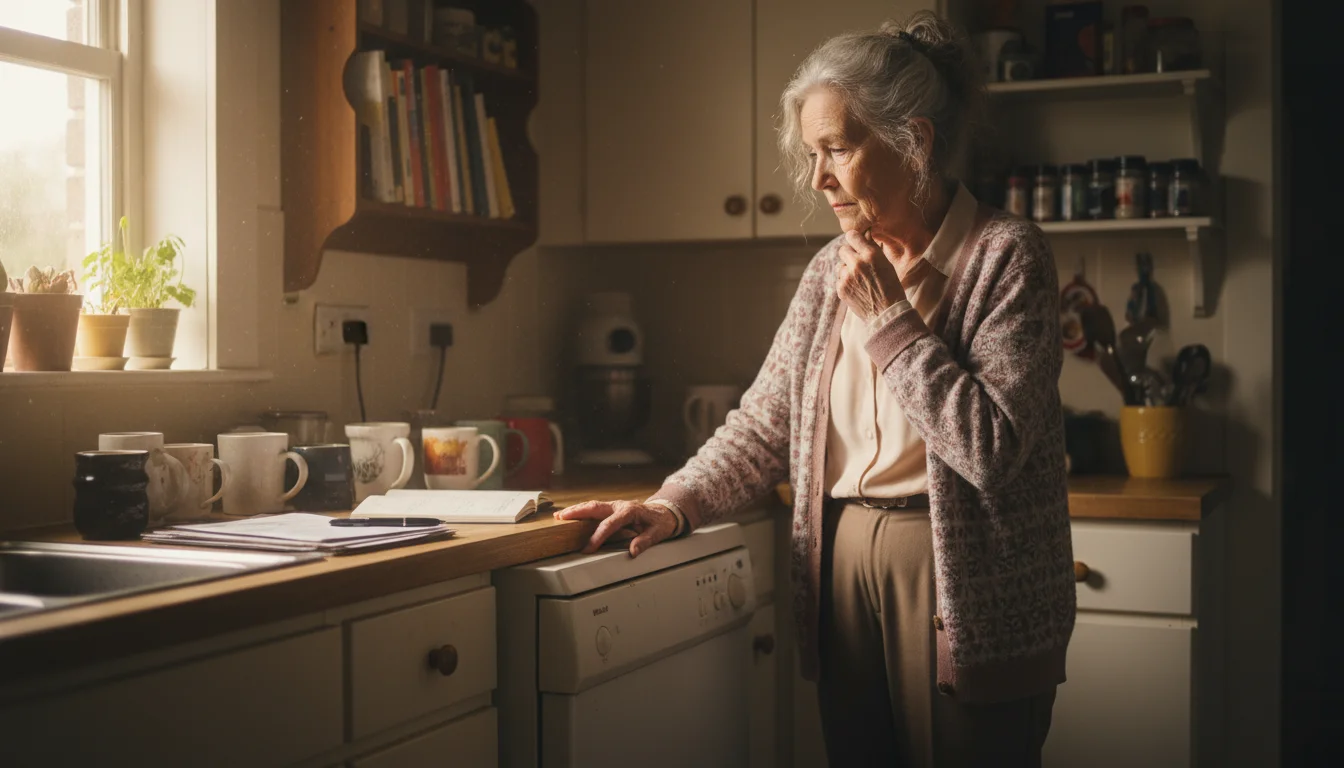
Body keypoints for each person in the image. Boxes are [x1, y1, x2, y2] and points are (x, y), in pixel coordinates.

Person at [557, 10, 1075, 766]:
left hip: (963, 574)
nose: (817, 177)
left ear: (914, 141)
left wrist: (889, 319)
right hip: (840, 561)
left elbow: (989, 450)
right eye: (810, 153)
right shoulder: (833, 268)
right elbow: (765, 424)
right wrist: (673, 503)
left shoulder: (1006, 256)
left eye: (837, 147)